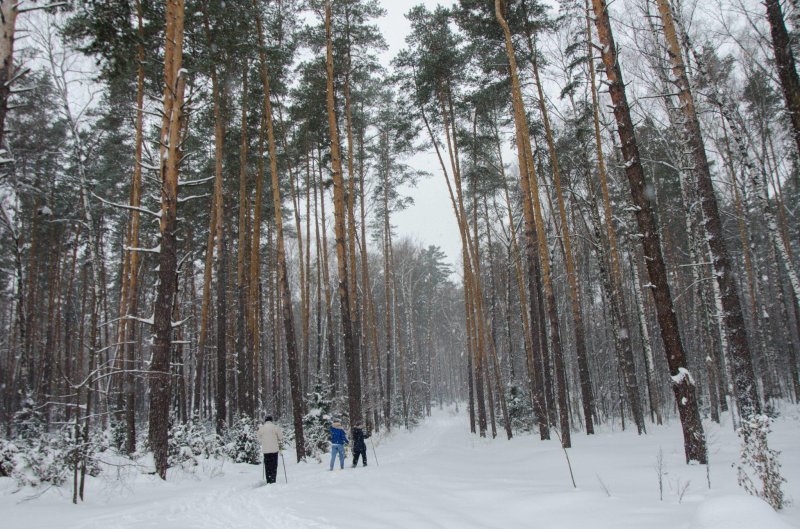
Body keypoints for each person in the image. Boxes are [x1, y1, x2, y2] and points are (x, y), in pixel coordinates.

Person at [257, 415, 283, 484]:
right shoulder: (275, 427)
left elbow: (258, 438)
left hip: (266, 451)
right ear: (271, 420)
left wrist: (263, 441)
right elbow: (280, 437)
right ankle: (273, 479)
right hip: (274, 450)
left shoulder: (262, 428)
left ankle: (268, 480)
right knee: (274, 465)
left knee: (267, 466)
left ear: (265, 421)